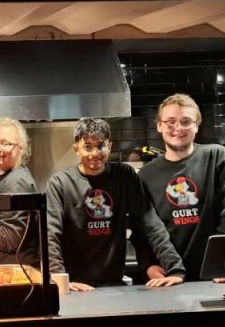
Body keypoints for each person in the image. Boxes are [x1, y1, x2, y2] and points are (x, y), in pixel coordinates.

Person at [47, 117, 184, 291]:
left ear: (109, 146)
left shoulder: (124, 175)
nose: (95, 153)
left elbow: (149, 222)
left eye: (100, 146)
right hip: (75, 286)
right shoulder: (60, 183)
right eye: (87, 146)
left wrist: (175, 270)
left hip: (114, 284)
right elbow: (51, 235)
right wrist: (59, 281)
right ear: (76, 149)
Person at [138, 93, 225, 281]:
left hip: (215, 275)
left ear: (197, 125)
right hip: (167, 276)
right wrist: (149, 265)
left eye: (186, 121)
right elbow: (143, 229)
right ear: (159, 125)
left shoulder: (216, 156)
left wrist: (221, 262)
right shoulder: (146, 175)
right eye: (170, 121)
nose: (178, 128)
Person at [0, 118, 40, 265]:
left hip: (16, 271)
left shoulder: (16, 182)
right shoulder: (9, 177)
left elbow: (10, 236)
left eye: (5, 143)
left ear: (21, 148)